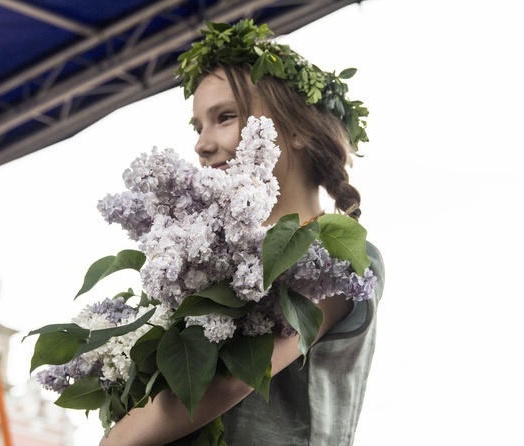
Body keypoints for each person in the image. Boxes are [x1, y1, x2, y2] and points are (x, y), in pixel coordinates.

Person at [99, 19, 384, 446]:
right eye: (198, 126)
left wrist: (114, 441)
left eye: (225, 117)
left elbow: (232, 380)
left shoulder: (340, 259)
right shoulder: (207, 256)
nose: (202, 144)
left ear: (297, 129)